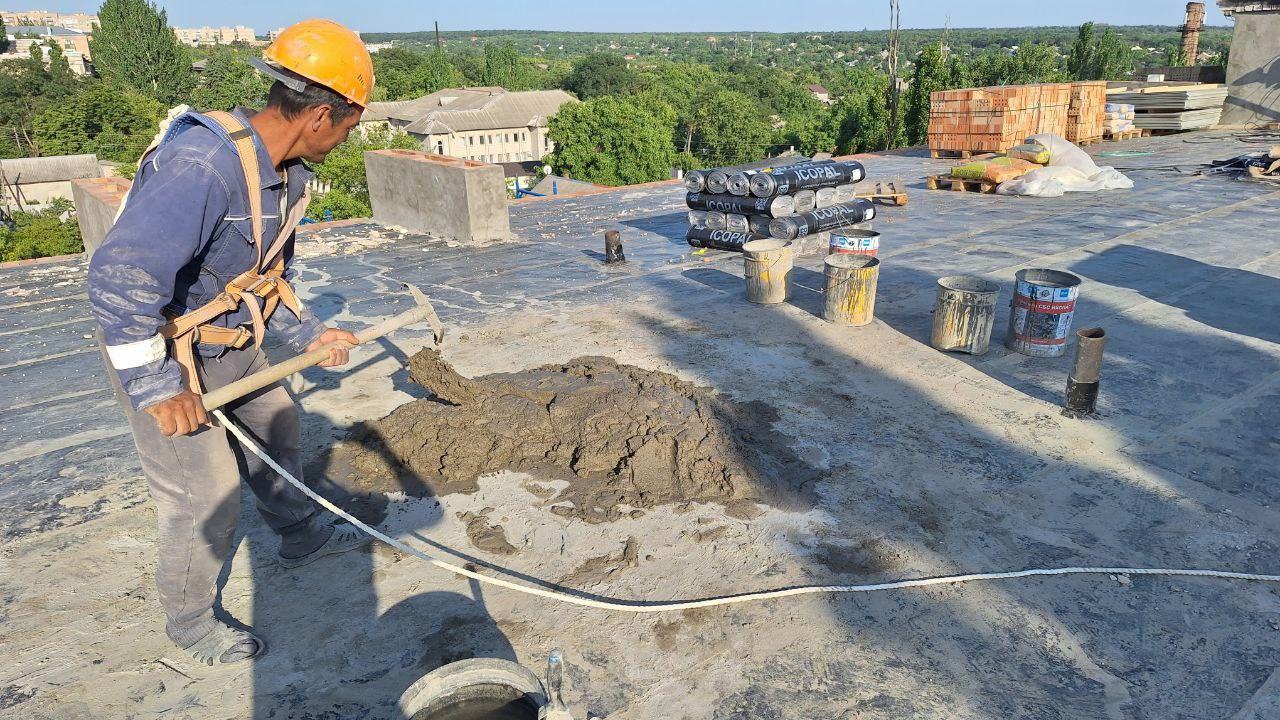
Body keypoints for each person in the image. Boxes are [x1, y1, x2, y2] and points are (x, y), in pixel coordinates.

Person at [87, 19, 376, 667]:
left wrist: (308, 335)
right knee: (206, 498)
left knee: (274, 419)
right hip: (164, 352)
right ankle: (190, 625)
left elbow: (267, 276)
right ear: (322, 116)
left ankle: (299, 534)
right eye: (352, 126)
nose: (348, 137)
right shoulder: (201, 167)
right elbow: (117, 276)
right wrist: (159, 387)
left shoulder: (286, 173)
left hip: (229, 340)